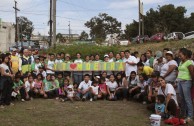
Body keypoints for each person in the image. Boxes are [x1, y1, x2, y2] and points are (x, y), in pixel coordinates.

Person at [177, 48, 194, 121]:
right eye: (179, 56)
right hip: (180, 82)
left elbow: (192, 73)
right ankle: (183, 114)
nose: (180, 57)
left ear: (185, 55)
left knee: (188, 99)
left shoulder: (189, 62)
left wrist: (192, 82)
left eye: (181, 56)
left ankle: (190, 116)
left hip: (186, 82)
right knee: (182, 99)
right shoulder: (181, 62)